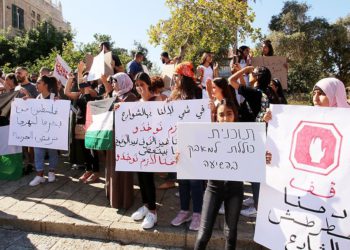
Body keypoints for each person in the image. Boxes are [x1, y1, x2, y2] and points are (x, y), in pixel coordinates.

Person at [194, 99, 243, 250]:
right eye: (221, 115)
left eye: (229, 114)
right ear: (216, 117)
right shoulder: (208, 136)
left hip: (235, 190)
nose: (225, 118)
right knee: (203, 235)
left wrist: (264, 158)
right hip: (213, 189)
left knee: (231, 234)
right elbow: (193, 154)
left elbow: (255, 159)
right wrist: (181, 157)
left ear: (235, 115)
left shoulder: (246, 136)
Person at [228, 66, 272, 218]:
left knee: (255, 173)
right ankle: (256, 199)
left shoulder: (254, 92)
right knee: (256, 171)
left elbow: (230, 80)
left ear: (257, 77)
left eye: (251, 74)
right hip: (259, 135)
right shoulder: (264, 92)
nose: (248, 75)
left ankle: (258, 207)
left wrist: (244, 69)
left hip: (253, 137)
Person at [170, 62, 203, 231]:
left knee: (196, 181)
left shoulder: (199, 92)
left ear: (183, 77)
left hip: (197, 143)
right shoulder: (174, 95)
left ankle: (197, 213)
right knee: (182, 180)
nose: (174, 79)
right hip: (179, 143)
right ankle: (184, 211)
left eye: (176, 76)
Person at [127, 72, 163, 229]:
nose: (139, 87)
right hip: (139, 145)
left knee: (148, 178)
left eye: (142, 84)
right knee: (141, 177)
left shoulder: (158, 100)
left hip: (153, 145)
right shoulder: (137, 102)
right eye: (137, 85)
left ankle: (153, 212)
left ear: (148, 84)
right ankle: (146, 205)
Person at [64, 62, 100, 184]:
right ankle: (88, 169)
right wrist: (70, 79)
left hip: (90, 124)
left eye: (86, 78)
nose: (83, 79)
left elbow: (84, 86)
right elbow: (67, 92)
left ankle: (96, 172)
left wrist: (80, 72)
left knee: (92, 149)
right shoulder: (80, 94)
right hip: (80, 124)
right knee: (84, 149)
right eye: (83, 77)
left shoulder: (92, 92)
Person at [29, 75, 59, 186]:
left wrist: (58, 104)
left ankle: (51, 171)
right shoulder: (37, 98)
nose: (36, 85)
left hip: (52, 131)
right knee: (38, 152)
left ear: (45, 85)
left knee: (52, 152)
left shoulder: (54, 97)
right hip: (39, 132)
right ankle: (39, 175)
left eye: (38, 83)